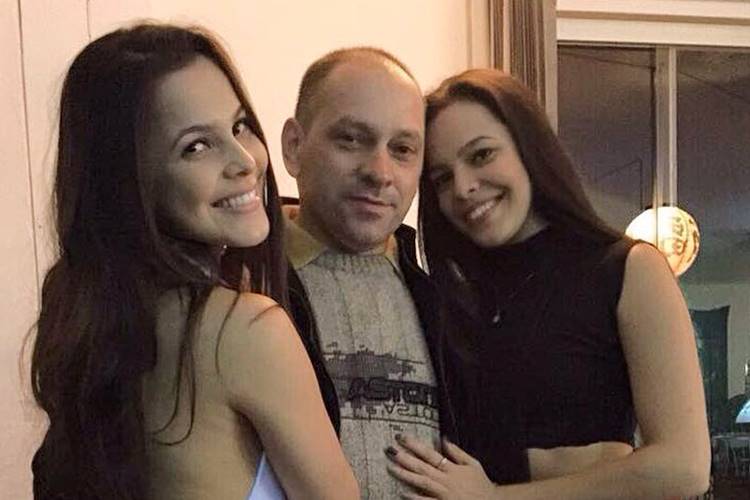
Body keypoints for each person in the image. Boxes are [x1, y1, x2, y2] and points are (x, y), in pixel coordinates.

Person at [29, 23, 358, 500]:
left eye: (239, 126)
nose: (245, 160)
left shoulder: (80, 321)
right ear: (128, 183)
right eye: (196, 146)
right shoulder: (243, 330)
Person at [385, 68, 711, 499]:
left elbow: (684, 467)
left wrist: (496, 496)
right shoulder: (446, 298)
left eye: (481, 155)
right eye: (442, 177)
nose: (463, 187)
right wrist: (557, 463)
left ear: (529, 148)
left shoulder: (629, 270)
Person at [279, 47, 448, 498]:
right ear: (294, 147)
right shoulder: (240, 288)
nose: (380, 172)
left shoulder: (447, 300)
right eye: (352, 139)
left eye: (402, 149)